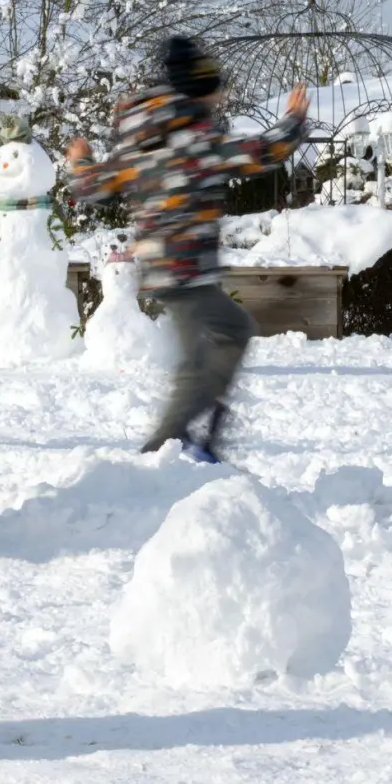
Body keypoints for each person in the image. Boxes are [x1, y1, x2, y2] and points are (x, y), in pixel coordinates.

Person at [66, 35, 310, 463]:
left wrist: (79, 161)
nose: (219, 100)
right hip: (188, 270)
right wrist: (292, 119)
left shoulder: (138, 143)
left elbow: (93, 185)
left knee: (216, 342)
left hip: (165, 269)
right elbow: (260, 152)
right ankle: (162, 449)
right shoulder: (197, 140)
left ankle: (198, 428)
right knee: (209, 353)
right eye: (215, 91)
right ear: (200, 91)